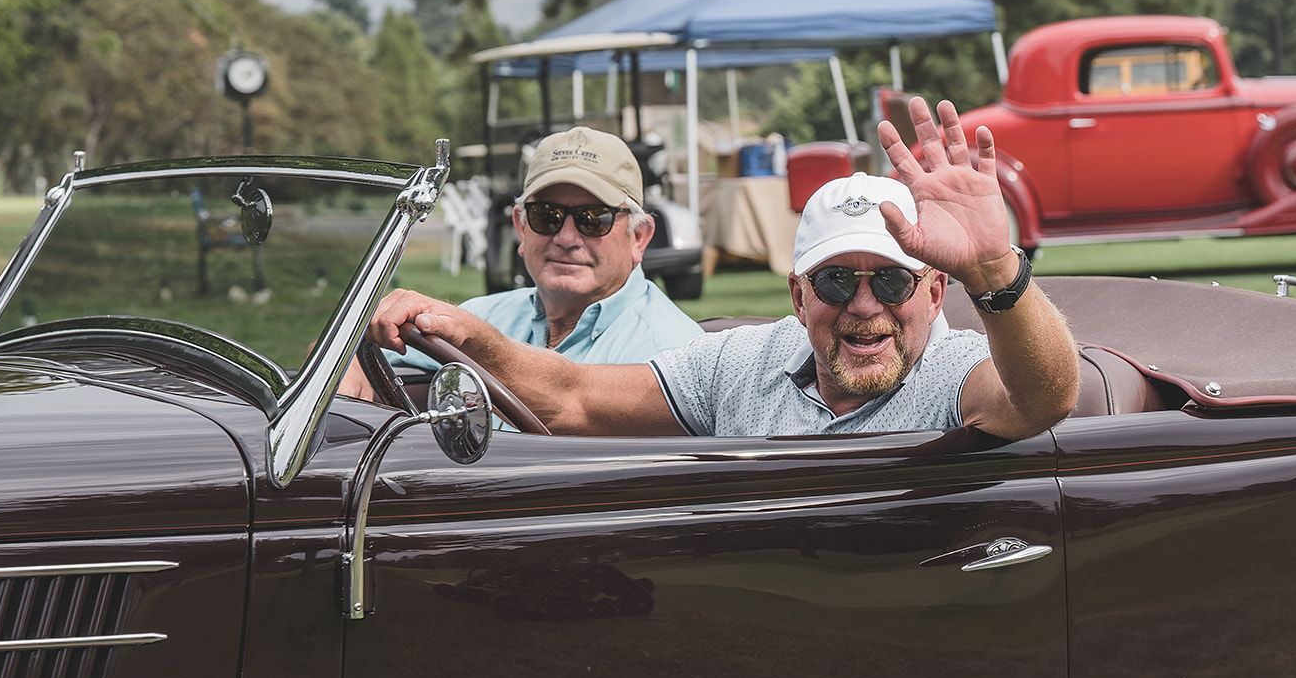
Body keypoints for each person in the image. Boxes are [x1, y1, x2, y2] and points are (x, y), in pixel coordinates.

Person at [366, 96, 1079, 440]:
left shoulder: (951, 371)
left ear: (934, 290)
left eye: (891, 280)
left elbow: (1043, 397)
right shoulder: (744, 362)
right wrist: (469, 334)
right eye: (836, 279)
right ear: (798, 296)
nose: (865, 305)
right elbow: (573, 397)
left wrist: (998, 271)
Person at [340, 125, 701, 400]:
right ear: (521, 227)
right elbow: (344, 364)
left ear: (639, 237)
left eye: (594, 218)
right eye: (547, 215)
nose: (566, 237)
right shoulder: (484, 316)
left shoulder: (675, 353)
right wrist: (352, 360)